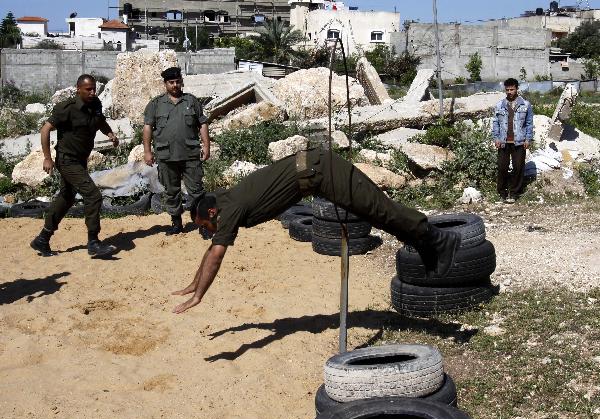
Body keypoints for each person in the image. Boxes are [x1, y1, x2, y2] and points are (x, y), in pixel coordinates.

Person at [171, 148, 461, 314]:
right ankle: (428, 247)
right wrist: (192, 284)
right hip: (314, 173)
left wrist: (199, 297)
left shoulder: (230, 208)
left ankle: (438, 238)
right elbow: (211, 250)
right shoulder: (222, 201)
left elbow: (217, 255)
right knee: (378, 216)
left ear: (212, 213)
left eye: (205, 226)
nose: (207, 232)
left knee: (380, 210)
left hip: (321, 170)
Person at [30, 74, 119, 258]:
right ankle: (93, 242)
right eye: (88, 89)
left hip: (80, 160)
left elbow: (100, 121)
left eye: (94, 88)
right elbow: (45, 129)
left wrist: (109, 133)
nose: (93, 92)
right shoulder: (67, 108)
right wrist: (47, 158)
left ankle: (42, 238)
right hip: (67, 160)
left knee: (67, 197)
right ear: (78, 89)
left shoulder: (95, 105)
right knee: (93, 195)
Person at [143, 66, 211, 235]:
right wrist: (147, 151)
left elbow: (202, 123)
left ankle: (203, 223)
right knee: (171, 191)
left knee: (197, 191)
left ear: (181, 82)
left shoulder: (191, 101)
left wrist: (207, 145)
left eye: (177, 82)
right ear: (165, 84)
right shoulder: (156, 104)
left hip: (190, 154)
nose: (175, 85)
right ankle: (176, 223)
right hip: (166, 155)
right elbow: (147, 128)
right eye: (171, 82)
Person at [492, 77, 533, 203]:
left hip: (519, 141)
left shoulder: (525, 105)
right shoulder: (499, 105)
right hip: (503, 141)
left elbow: (529, 123)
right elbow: (495, 122)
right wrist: (496, 138)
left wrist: (528, 139)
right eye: (507, 90)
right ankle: (502, 192)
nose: (509, 92)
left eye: (512, 89)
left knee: (518, 167)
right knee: (502, 167)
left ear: (517, 89)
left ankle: (515, 192)